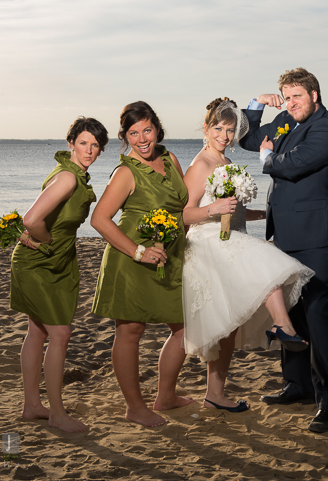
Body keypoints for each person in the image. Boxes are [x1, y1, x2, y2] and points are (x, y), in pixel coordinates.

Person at [181, 98, 314, 413]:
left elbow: (235, 212)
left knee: (229, 326)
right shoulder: (201, 164)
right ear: (206, 127)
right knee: (265, 265)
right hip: (207, 242)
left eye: (230, 130)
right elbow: (183, 215)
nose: (224, 136)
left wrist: (266, 212)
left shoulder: (226, 164)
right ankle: (283, 324)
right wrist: (213, 209)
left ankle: (215, 394)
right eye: (218, 128)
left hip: (230, 235)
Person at [240, 68, 328, 432]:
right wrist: (256, 103)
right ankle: (295, 385)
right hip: (283, 233)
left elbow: (293, 165)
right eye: (286, 97)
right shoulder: (284, 119)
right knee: (289, 312)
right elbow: (247, 138)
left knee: (316, 314)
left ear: (315, 95)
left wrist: (267, 160)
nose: (291, 103)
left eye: (297, 96)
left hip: (316, 235)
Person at [91, 101, 193, 427]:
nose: (142, 139)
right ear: (125, 137)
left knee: (186, 327)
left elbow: (182, 208)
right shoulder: (126, 172)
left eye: (146, 130)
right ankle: (135, 407)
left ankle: (165, 396)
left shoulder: (169, 157)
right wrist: (138, 251)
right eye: (133, 133)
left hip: (171, 260)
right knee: (131, 331)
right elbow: (100, 219)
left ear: (157, 128)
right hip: (132, 262)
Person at [12, 116, 109, 433]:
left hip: (54, 261)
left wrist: (47, 241)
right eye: (83, 143)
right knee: (60, 335)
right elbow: (31, 219)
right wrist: (48, 242)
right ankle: (56, 412)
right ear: (71, 143)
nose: (89, 150)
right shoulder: (69, 178)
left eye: (95, 145)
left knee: (38, 332)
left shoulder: (71, 174)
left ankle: (31, 406)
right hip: (42, 261)